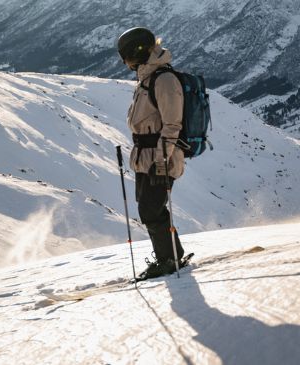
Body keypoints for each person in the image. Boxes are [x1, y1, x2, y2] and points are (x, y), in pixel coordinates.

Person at [117, 27, 185, 279]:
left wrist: (161, 160)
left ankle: (169, 260)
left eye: (127, 57)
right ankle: (170, 256)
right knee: (149, 209)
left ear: (139, 52)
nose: (125, 63)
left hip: (160, 157)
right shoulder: (147, 78)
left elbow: (172, 124)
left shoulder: (164, 80)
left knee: (152, 209)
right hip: (146, 156)